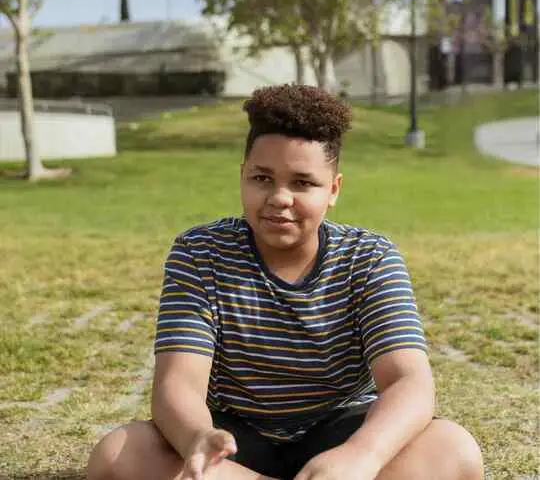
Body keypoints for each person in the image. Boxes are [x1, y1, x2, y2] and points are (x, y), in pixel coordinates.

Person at [87, 84, 483, 480]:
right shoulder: (200, 253)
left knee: (454, 452)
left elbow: (408, 380)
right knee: (119, 456)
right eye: (262, 178)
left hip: (343, 437)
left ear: (333, 189)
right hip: (233, 442)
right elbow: (178, 383)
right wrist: (196, 438)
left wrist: (363, 455)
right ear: (242, 176)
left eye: (302, 183)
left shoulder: (370, 257)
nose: (279, 197)